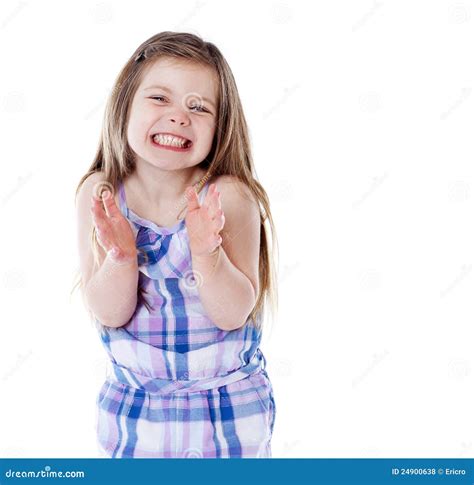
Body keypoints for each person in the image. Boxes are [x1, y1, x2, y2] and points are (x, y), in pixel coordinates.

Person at [74, 31, 278, 458]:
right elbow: (109, 311)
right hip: (135, 411)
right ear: (124, 103)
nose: (179, 116)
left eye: (198, 107)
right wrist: (121, 257)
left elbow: (232, 312)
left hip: (225, 411)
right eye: (160, 98)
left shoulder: (229, 196)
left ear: (219, 127)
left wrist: (208, 254)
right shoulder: (102, 193)